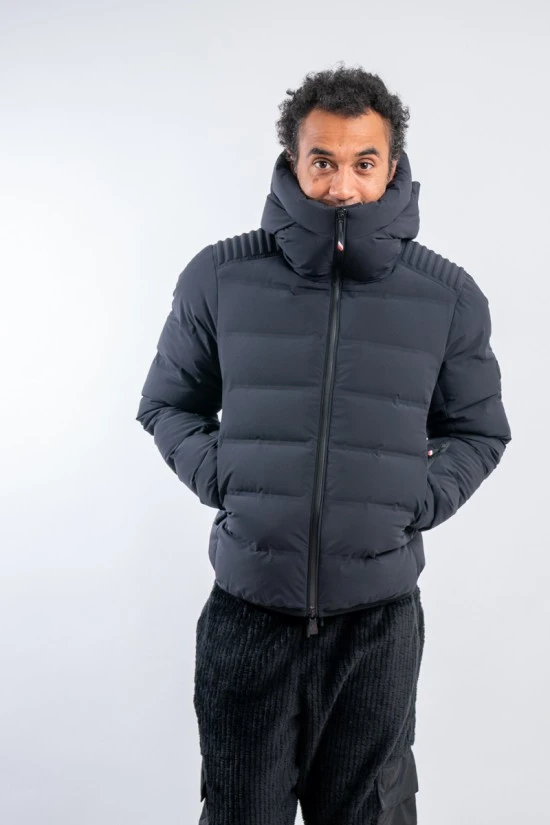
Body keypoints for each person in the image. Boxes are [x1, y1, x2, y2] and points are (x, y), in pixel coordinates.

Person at [135, 64, 512, 825]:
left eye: (364, 162)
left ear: (392, 166)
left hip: (377, 622)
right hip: (248, 612)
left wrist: (417, 498)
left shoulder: (447, 296)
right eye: (323, 161)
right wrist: (226, 478)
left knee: (371, 813)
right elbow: (167, 404)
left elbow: (478, 429)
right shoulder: (220, 277)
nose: (343, 185)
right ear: (293, 160)